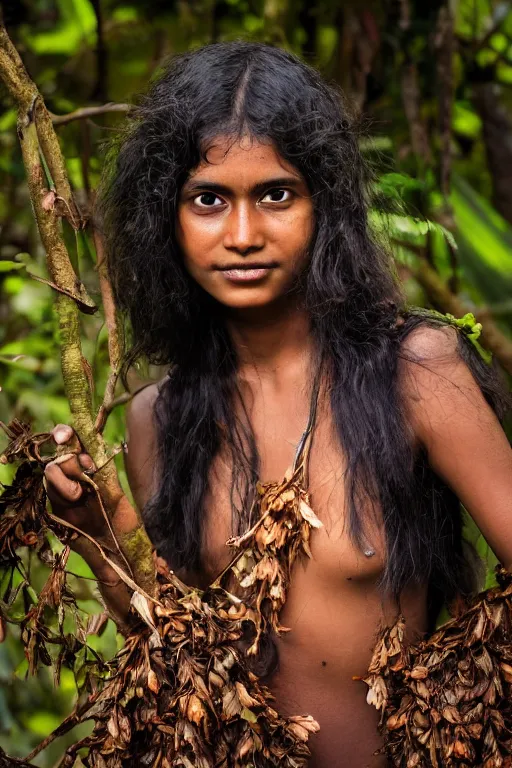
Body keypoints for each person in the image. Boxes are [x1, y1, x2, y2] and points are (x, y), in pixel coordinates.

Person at [43, 41, 512, 768]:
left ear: (323, 204)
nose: (242, 236)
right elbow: (176, 664)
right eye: (208, 199)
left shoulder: (415, 373)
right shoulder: (158, 418)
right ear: (165, 218)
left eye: (275, 195)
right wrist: (101, 535)